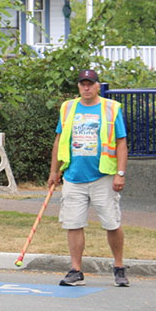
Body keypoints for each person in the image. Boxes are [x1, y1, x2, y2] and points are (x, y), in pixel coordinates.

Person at [47, 69, 129, 287]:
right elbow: (58, 140)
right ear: (78, 87)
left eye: (90, 84)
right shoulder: (68, 108)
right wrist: (54, 171)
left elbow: (121, 142)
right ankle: (76, 270)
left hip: (103, 176)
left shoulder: (110, 109)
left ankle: (119, 266)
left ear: (97, 86)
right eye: (83, 84)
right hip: (73, 176)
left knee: (112, 223)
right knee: (73, 224)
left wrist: (120, 173)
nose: (86, 88)